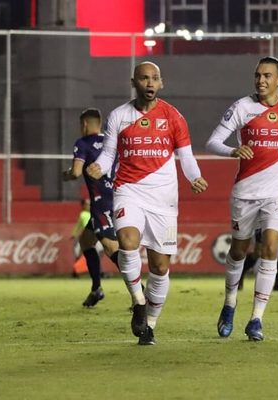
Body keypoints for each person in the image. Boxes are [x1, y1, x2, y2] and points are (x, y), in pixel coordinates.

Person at [86, 62, 208, 345]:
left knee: (160, 267)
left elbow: (186, 156)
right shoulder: (119, 116)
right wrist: (99, 168)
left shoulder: (174, 117)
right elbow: (108, 155)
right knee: (127, 242)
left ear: (161, 83)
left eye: (154, 78)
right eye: (144, 78)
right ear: (134, 82)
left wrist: (195, 177)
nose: (149, 82)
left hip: (164, 198)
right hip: (129, 190)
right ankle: (138, 301)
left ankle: (150, 325)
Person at [206, 56, 278, 341]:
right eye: (258, 75)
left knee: (271, 247)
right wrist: (232, 151)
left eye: (267, 76)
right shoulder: (242, 107)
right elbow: (213, 142)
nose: (261, 80)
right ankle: (229, 304)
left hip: (277, 192)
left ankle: (256, 320)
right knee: (239, 251)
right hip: (246, 192)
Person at [63, 108, 120, 308]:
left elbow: (77, 172)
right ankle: (96, 289)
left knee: (111, 247)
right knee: (86, 241)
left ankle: (141, 293)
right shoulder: (112, 142)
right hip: (118, 196)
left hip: (100, 202)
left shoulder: (83, 143)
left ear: (85, 124)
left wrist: (67, 174)